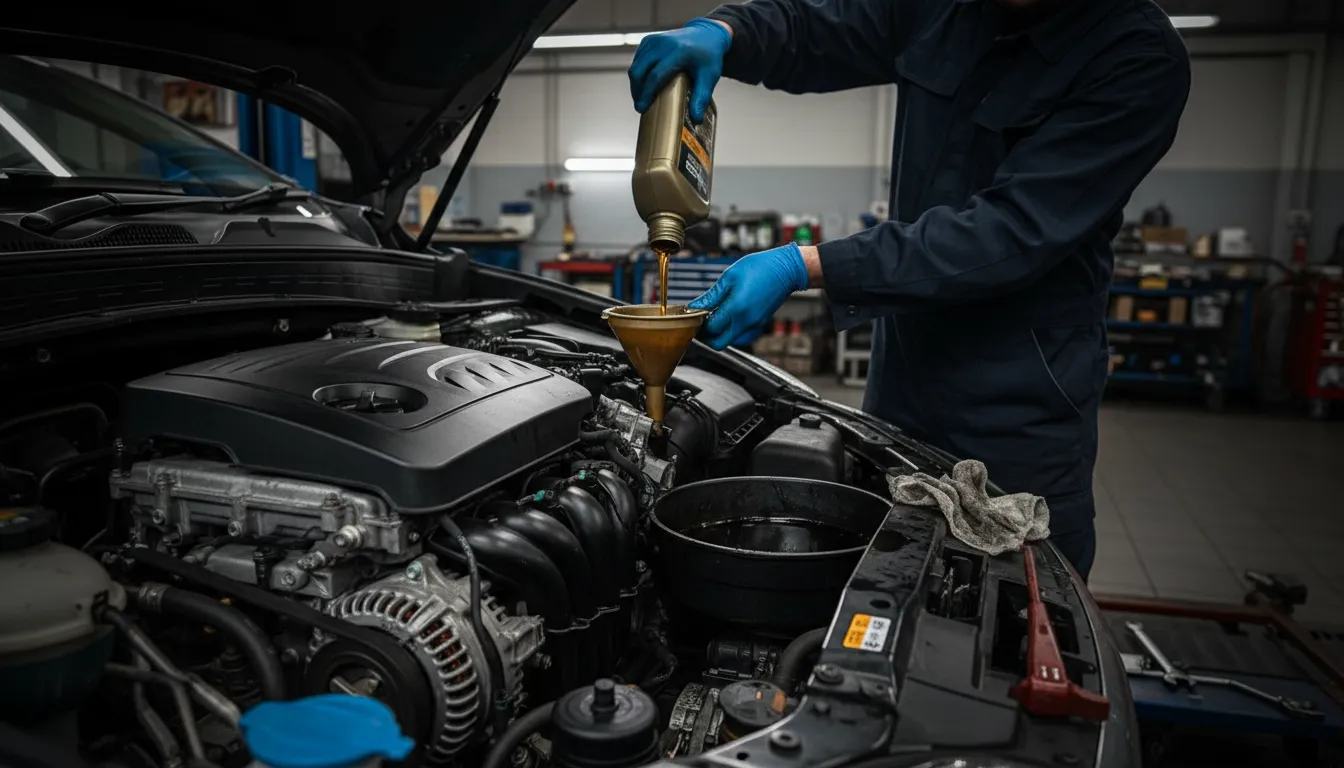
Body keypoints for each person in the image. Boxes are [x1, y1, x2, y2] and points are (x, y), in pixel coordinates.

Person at [628, 0, 1191, 580]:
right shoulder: (939, 8)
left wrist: (807, 264)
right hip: (902, 387)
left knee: (1012, 597)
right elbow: (816, 29)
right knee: (886, 571)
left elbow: (1009, 233)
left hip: (1020, 407)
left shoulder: (1136, 56)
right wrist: (726, 31)